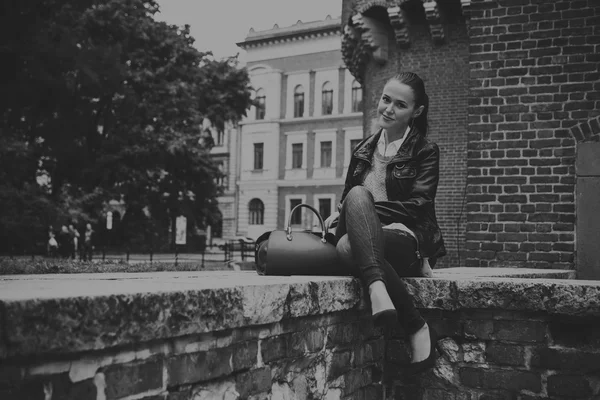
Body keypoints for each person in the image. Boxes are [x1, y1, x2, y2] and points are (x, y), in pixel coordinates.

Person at [324, 71, 446, 376]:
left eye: (399, 105)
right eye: (385, 99)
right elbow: (347, 199)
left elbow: (419, 206)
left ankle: (382, 292)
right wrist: (343, 212)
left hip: (403, 238)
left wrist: (365, 211)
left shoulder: (425, 152)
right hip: (368, 234)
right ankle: (410, 320)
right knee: (355, 196)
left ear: (416, 112)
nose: (388, 109)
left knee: (349, 243)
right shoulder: (363, 150)